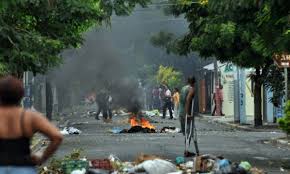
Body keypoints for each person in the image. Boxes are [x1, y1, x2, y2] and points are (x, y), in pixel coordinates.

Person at [0, 76, 63, 174]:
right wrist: (42, 158)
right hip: (23, 169)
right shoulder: (29, 116)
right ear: (21, 94)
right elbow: (57, 136)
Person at [179, 76, 199, 157]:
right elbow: (188, 100)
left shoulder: (183, 88)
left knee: (187, 133)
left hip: (181, 113)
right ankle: (186, 151)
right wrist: (188, 113)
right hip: (187, 113)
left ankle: (186, 150)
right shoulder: (192, 89)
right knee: (189, 133)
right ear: (194, 82)